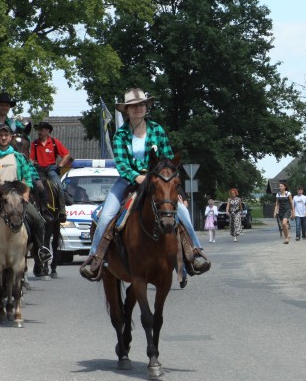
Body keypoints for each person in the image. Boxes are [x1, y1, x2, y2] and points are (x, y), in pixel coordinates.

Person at [79, 88, 209, 281]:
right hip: (128, 181)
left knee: (182, 213)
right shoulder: (120, 135)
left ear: (146, 107)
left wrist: (175, 188)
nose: (137, 109)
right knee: (106, 215)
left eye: (141, 105)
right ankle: (95, 258)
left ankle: (194, 254)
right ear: (127, 110)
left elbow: (168, 161)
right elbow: (121, 164)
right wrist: (136, 176)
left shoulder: (157, 130)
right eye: (133, 106)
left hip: (158, 181)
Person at [0, 124, 52, 270]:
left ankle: (40, 250)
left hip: (17, 199)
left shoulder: (19, 158)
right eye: (0, 135)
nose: (3, 137)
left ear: (10, 137)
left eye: (6, 135)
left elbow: (27, 177)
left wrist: (26, 193)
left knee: (38, 219)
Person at [30, 121, 72, 222]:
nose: (39, 131)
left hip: (51, 169)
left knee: (59, 186)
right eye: (39, 129)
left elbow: (67, 154)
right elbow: (30, 159)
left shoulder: (54, 142)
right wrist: (32, 164)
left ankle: (62, 211)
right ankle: (34, 209)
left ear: (48, 131)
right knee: (32, 187)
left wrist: (60, 166)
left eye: (42, 129)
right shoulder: (34, 144)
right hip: (38, 170)